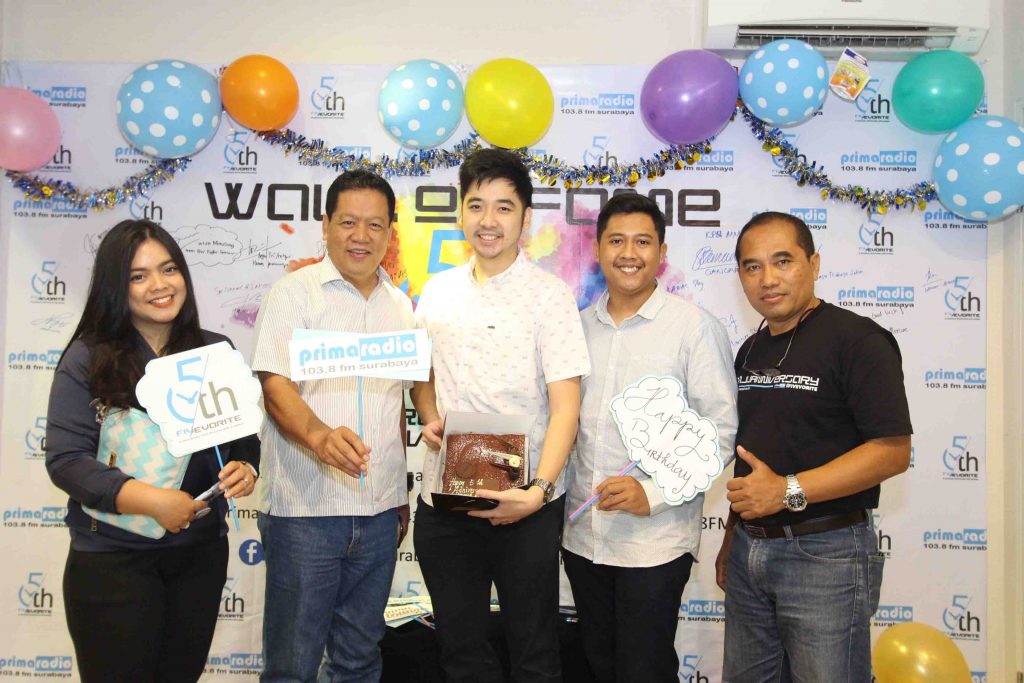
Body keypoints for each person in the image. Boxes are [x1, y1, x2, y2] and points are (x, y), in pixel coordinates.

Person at [45, 219, 260, 683]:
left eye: (168, 269)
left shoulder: (214, 350)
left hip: (199, 559)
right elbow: (66, 461)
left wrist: (246, 467)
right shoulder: (88, 357)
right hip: (112, 559)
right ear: (115, 287)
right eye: (138, 276)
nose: (159, 285)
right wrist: (153, 501)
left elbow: (243, 440)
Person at [411, 148, 591, 682]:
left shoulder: (549, 297)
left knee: (534, 653)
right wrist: (429, 414)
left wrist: (538, 491)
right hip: (445, 502)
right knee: (461, 653)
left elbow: (566, 408)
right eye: (476, 205)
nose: (488, 220)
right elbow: (422, 376)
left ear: (525, 218)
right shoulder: (437, 291)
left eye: (504, 207)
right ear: (461, 213)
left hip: (526, 507)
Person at [716, 211, 912, 682]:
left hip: (826, 555)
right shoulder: (750, 350)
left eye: (782, 261)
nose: (768, 278)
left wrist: (787, 490)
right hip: (749, 551)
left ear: (814, 264)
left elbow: (892, 451)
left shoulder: (858, 340)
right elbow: (754, 457)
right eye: (752, 266)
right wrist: (731, 539)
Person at [561, 193, 738, 683]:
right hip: (583, 538)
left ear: (662, 252)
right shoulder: (575, 330)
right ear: (597, 249)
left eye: (642, 242)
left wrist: (653, 493)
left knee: (645, 669)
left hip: (654, 542)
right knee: (597, 666)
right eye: (616, 240)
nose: (629, 253)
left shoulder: (693, 328)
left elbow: (720, 433)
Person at [250, 169, 412, 683]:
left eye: (375, 225)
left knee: (358, 660)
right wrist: (320, 437)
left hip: (380, 513)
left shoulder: (401, 306)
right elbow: (275, 385)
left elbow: (394, 402)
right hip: (306, 512)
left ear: (389, 233)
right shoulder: (294, 294)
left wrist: (400, 494)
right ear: (325, 225)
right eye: (348, 222)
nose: (361, 236)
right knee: (292, 666)